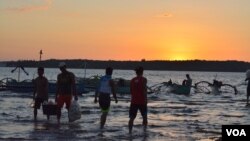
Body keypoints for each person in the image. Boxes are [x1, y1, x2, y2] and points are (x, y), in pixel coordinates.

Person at [128, 66, 148, 134]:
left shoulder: (132, 80)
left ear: (136, 73)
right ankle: (144, 132)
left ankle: (130, 132)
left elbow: (130, 91)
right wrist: (146, 99)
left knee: (132, 118)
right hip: (142, 101)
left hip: (134, 101)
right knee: (144, 117)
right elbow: (144, 90)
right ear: (142, 72)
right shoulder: (144, 79)